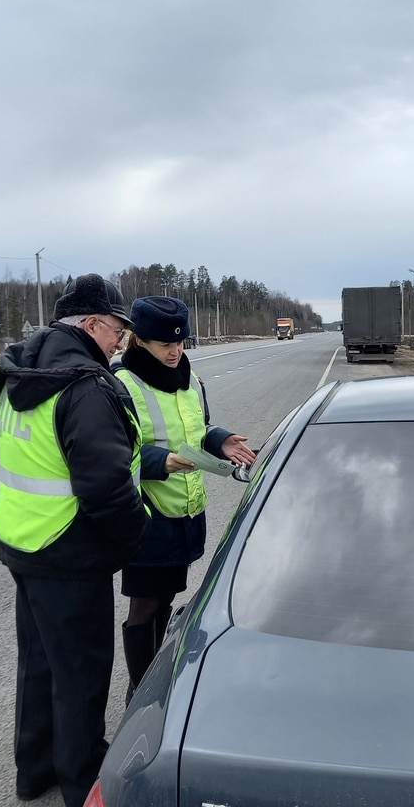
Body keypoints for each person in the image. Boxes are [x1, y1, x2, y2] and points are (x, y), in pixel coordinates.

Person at [0, 273, 149, 806]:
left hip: (23, 541)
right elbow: (104, 486)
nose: (120, 342)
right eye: (117, 330)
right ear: (92, 323)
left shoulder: (20, 370)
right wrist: (136, 535)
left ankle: (35, 771)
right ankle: (82, 779)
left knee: (38, 663)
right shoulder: (83, 385)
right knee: (80, 672)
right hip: (70, 549)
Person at [112, 296, 256, 699]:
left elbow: (198, 429)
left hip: (186, 512)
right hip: (146, 515)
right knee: (144, 608)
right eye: (164, 344)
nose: (175, 351)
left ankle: (157, 678)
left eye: (181, 343)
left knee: (166, 601)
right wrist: (163, 461)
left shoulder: (190, 380)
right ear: (139, 341)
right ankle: (139, 694)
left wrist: (221, 439)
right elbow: (114, 455)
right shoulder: (121, 384)